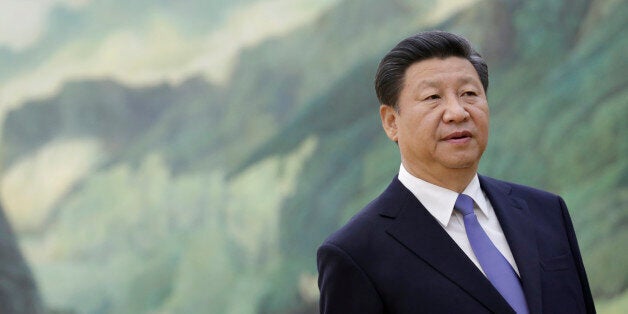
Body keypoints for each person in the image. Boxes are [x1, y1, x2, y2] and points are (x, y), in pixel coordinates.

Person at [316, 31, 595, 313]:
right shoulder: (356, 254)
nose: (457, 112)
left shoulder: (546, 212)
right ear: (391, 122)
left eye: (469, 94)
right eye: (433, 97)